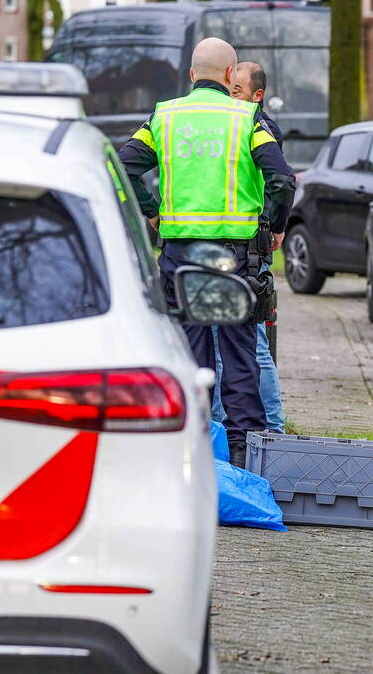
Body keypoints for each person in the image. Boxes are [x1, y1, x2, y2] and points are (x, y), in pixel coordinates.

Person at [118, 38, 295, 468]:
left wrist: (153, 212)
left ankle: (190, 457)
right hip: (236, 257)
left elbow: (120, 165)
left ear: (193, 75)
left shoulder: (165, 115)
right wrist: (274, 225)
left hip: (180, 256)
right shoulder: (248, 118)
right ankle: (244, 461)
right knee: (239, 356)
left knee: (188, 358)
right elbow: (283, 180)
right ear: (232, 74)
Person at [207, 59, 284, 434]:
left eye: (235, 91)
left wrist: (271, 225)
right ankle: (233, 426)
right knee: (230, 343)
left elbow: (279, 183)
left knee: (251, 344)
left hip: (246, 252)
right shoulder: (234, 126)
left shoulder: (259, 127)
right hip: (233, 249)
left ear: (257, 96)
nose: (229, 96)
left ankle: (269, 428)